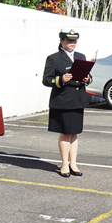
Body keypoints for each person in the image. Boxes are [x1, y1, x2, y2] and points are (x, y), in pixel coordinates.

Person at [42, 29, 93, 178]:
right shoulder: (54, 58)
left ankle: (73, 164)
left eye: (74, 41)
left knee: (74, 133)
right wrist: (60, 79)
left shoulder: (80, 56)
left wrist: (87, 79)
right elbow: (46, 80)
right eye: (69, 40)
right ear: (61, 41)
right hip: (63, 100)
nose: (72, 43)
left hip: (77, 99)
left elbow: (88, 76)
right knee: (65, 133)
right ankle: (65, 164)